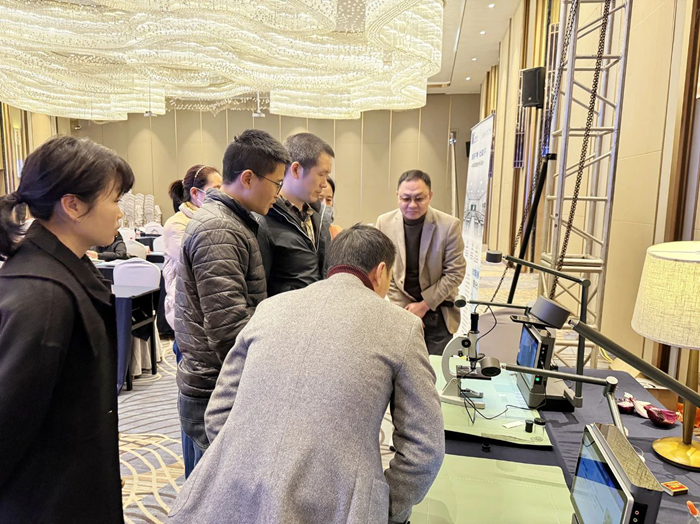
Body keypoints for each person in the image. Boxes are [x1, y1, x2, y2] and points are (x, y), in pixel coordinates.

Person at [168, 224, 445, 524]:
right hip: (340, 508)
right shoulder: (401, 326)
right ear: (380, 272)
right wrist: (384, 506)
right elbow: (425, 447)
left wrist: (242, 463)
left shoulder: (269, 308)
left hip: (232, 498)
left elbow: (218, 412)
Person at [0, 135, 134, 523]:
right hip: (47, 502)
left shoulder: (61, 270)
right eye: (115, 200)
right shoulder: (43, 296)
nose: (120, 214)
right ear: (73, 205)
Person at [173, 129, 290, 469]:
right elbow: (228, 329)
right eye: (277, 183)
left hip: (215, 382)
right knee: (213, 490)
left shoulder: (232, 222)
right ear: (248, 178)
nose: (279, 194)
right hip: (214, 388)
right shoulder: (219, 229)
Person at [163, 164, 222, 478]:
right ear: (196, 193)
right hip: (186, 325)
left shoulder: (208, 219)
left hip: (203, 325)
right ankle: (191, 478)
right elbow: (204, 263)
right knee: (191, 402)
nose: (222, 194)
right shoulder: (177, 225)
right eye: (216, 189)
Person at [375, 170, 466, 355]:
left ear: (430, 196)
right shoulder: (384, 223)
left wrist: (424, 306)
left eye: (419, 198)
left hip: (437, 310)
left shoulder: (449, 226)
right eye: (406, 198)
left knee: (434, 367)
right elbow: (383, 271)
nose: (412, 205)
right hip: (400, 309)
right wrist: (405, 311)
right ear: (397, 196)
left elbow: (455, 273)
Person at [259, 132, 333, 296]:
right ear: (296, 169)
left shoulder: (318, 218)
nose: (324, 184)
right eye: (321, 174)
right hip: (283, 311)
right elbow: (258, 288)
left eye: (327, 176)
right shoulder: (264, 218)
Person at [319, 175, 342, 240]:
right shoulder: (303, 232)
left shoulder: (337, 233)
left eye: (328, 200)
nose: (324, 204)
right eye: (320, 199)